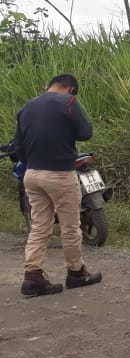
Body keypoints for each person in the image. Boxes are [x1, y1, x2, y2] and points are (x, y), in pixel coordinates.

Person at [16, 74, 101, 297]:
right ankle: (76, 273)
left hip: (32, 174)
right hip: (60, 174)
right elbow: (85, 133)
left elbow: (18, 147)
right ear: (71, 90)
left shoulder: (27, 107)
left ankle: (33, 277)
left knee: (39, 225)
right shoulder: (68, 102)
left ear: (49, 86)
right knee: (70, 225)